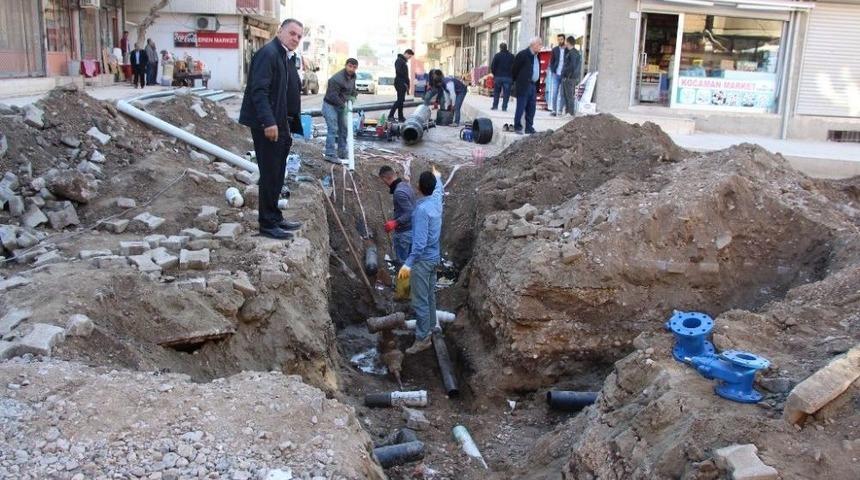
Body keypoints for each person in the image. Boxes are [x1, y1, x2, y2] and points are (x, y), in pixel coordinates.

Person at [239, 18, 305, 240]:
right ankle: (267, 223)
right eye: (292, 33)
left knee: (277, 173)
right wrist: (268, 122)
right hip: (269, 125)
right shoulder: (268, 54)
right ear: (280, 31)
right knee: (269, 174)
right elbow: (259, 91)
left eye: (299, 36)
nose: (295, 38)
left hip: (281, 124)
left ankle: (275, 216)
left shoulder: (284, 56)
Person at [398, 167, 444, 354]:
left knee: (420, 301)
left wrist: (408, 264)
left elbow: (419, 244)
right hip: (434, 259)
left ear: (418, 187)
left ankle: (422, 338)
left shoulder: (422, 211)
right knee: (430, 296)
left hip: (422, 262)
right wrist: (438, 177)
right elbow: (439, 189)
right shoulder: (436, 201)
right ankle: (431, 327)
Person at [322, 58, 358, 162]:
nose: (351, 69)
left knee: (344, 129)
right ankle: (329, 153)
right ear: (346, 65)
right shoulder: (336, 79)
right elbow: (332, 96)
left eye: (354, 67)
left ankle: (342, 152)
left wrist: (353, 96)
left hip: (340, 105)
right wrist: (344, 106)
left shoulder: (353, 77)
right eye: (350, 66)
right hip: (330, 105)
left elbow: (352, 89)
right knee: (333, 128)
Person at [378, 165, 415, 266]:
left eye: (383, 181)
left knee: (403, 263)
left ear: (385, 178)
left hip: (404, 233)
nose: (384, 183)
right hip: (412, 230)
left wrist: (395, 222)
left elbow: (410, 212)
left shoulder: (399, 192)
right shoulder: (406, 186)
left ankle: (403, 275)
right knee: (411, 261)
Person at [512, 37, 542, 135]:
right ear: (533, 45)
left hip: (533, 85)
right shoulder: (523, 54)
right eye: (539, 44)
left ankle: (529, 127)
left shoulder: (537, 56)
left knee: (531, 108)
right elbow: (514, 70)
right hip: (524, 85)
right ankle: (517, 127)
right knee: (521, 107)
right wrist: (518, 82)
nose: (541, 46)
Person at [388, 49, 414, 122]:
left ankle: (400, 117)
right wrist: (405, 79)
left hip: (402, 82)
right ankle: (390, 116)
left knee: (401, 101)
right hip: (400, 82)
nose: (409, 58)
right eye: (409, 56)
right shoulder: (399, 60)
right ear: (406, 53)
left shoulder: (403, 61)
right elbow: (398, 71)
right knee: (400, 100)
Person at [561, 36, 583, 118]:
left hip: (569, 78)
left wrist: (566, 74)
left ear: (568, 42)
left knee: (569, 96)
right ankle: (568, 112)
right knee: (568, 95)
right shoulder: (576, 52)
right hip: (572, 77)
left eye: (566, 42)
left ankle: (570, 113)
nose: (565, 43)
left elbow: (572, 66)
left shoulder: (572, 53)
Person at [490, 42, 514, 111]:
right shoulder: (511, 56)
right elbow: (515, 67)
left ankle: (495, 106)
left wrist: (495, 74)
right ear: (506, 48)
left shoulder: (497, 56)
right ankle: (504, 107)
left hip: (498, 77)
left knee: (496, 92)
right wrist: (513, 76)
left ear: (500, 48)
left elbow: (493, 66)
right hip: (508, 77)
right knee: (506, 93)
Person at [548, 33, 566, 116]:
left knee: (562, 93)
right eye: (558, 40)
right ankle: (554, 110)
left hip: (564, 75)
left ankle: (560, 110)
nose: (560, 41)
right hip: (556, 74)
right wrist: (552, 70)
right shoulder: (555, 50)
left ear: (564, 40)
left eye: (561, 39)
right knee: (554, 92)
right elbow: (551, 61)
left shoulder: (567, 50)